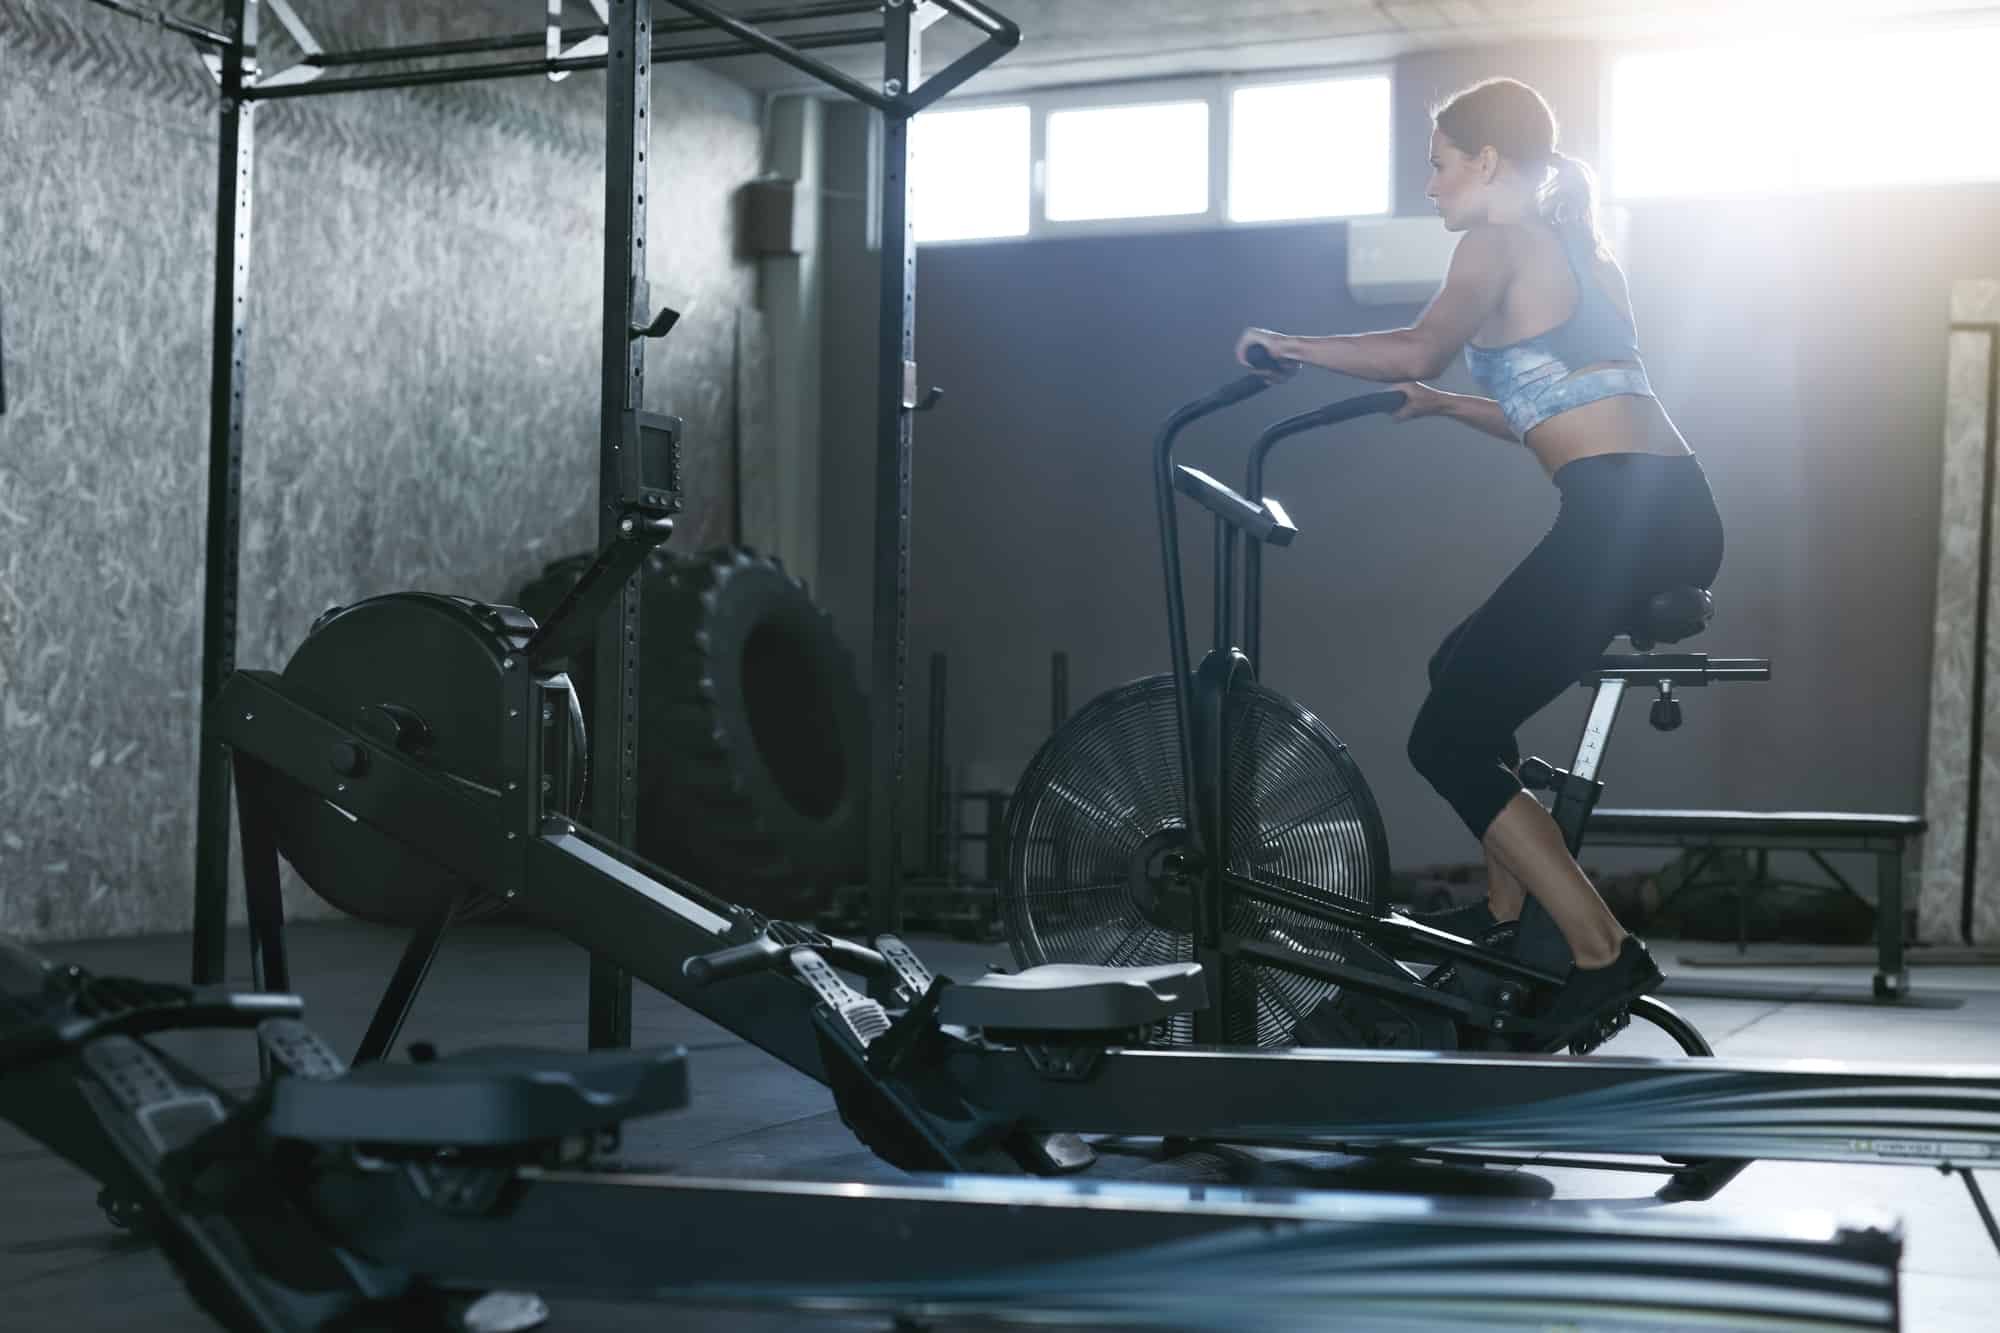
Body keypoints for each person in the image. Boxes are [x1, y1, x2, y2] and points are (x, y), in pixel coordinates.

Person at [1233, 77, 1723, 1054]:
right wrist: (1445, 404)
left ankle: (1598, 950)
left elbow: (1418, 340)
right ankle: (1509, 922)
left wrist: (1283, 344)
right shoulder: (1584, 257)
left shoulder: (1490, 243)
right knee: (1459, 677)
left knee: (1441, 739)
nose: (1429, 185)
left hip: (1617, 514)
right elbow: (1561, 409)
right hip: (1671, 507)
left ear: (1487, 164)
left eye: (1438, 162)